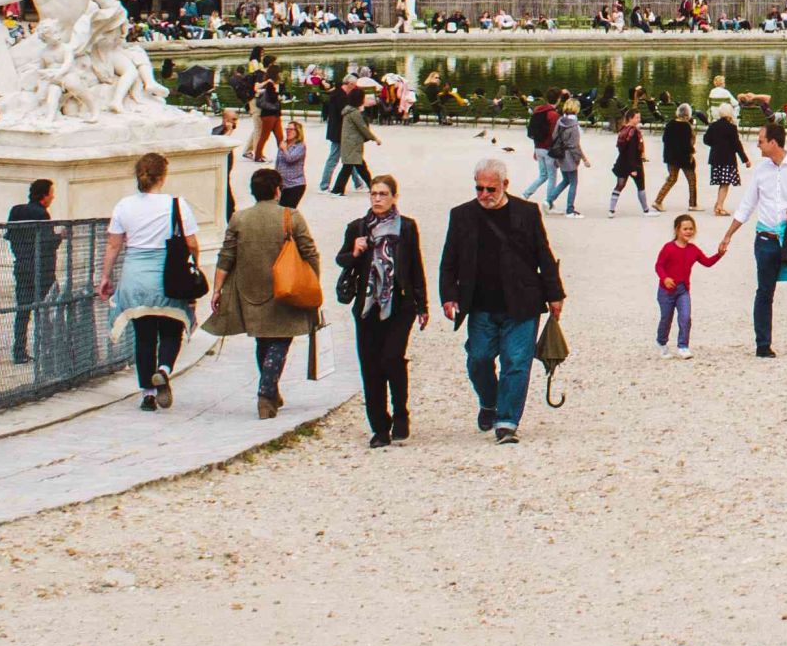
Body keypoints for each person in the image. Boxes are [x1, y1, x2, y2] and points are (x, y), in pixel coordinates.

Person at [439, 157, 568, 445]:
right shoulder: (461, 215)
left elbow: (543, 255)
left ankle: (507, 421)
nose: (484, 195)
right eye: (479, 189)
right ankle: (489, 401)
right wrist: (448, 296)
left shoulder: (527, 212)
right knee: (479, 358)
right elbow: (449, 260)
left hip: (522, 303)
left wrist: (555, 294)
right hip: (481, 304)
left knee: (517, 362)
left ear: (505, 185)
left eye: (490, 189)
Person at [204, 166, 324, 419]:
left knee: (262, 339)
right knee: (281, 339)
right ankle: (265, 392)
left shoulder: (239, 218)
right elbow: (309, 252)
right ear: (277, 190)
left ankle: (271, 391)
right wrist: (313, 281)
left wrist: (217, 289)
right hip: (287, 287)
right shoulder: (291, 216)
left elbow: (226, 256)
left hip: (251, 288)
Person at [713, 120, 787, 359]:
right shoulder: (760, 171)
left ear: (773, 143)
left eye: (761, 141)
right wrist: (728, 235)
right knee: (764, 291)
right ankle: (763, 344)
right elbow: (747, 205)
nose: (758, 146)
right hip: (766, 238)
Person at [100, 153, 201, 412]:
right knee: (171, 330)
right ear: (163, 176)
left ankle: (147, 394)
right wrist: (194, 268)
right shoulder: (176, 205)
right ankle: (164, 369)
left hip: (134, 276)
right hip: (167, 276)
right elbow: (191, 243)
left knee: (144, 337)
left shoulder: (124, 205)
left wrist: (104, 276)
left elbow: (114, 244)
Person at [336, 174, 428, 449]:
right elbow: (341, 259)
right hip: (367, 306)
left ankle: (401, 412)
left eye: (383, 194)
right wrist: (354, 251)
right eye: (373, 194)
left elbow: (415, 266)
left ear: (394, 197)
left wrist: (423, 305)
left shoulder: (407, 228)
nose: (377, 199)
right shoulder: (358, 228)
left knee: (391, 358)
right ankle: (379, 426)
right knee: (370, 366)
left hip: (400, 305)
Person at [5, 178, 61, 364]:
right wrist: (60, 237)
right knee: (46, 310)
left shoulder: (16, 210)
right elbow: (47, 242)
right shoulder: (42, 214)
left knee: (23, 310)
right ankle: (46, 349)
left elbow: (10, 236)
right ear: (44, 196)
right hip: (41, 269)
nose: (53, 197)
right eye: (51, 193)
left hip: (22, 265)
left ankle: (19, 349)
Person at [653, 212, 724, 358]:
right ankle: (661, 342)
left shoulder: (693, 250)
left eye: (691, 229)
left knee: (685, 317)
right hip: (666, 291)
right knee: (666, 318)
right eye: (685, 229)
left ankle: (683, 346)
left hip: (683, 290)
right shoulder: (668, 248)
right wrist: (665, 278)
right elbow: (659, 266)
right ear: (677, 230)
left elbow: (707, 262)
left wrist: (719, 254)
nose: (688, 231)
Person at [328, 87, 377, 197]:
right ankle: (337, 190)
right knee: (348, 168)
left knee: (360, 167)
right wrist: (375, 138)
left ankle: (372, 187)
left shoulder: (348, 110)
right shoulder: (354, 113)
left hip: (350, 143)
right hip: (353, 144)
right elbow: (363, 127)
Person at [655, 104, 699, 212]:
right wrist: (691, 153)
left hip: (671, 157)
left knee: (672, 179)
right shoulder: (687, 126)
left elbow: (665, 139)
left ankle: (658, 201)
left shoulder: (670, 124)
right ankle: (692, 204)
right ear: (688, 114)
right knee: (691, 180)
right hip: (684, 157)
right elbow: (690, 142)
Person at [704, 106, 747, 216]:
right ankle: (719, 206)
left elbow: (706, 140)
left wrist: (716, 144)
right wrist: (745, 159)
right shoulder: (731, 127)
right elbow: (737, 145)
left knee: (722, 182)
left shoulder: (713, 126)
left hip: (715, 158)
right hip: (727, 159)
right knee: (725, 183)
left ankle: (718, 203)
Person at [608, 110, 652, 214]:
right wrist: (633, 168)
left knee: (620, 185)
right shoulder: (634, 132)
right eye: (637, 117)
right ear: (631, 118)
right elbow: (632, 150)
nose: (639, 120)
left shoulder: (623, 129)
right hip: (634, 163)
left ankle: (611, 209)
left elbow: (621, 148)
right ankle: (646, 210)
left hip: (622, 162)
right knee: (641, 186)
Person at [549, 105, 589, 217]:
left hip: (560, 154)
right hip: (570, 156)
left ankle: (549, 200)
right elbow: (575, 145)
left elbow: (554, 136)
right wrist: (581, 159)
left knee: (565, 180)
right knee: (573, 182)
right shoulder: (574, 126)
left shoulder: (559, 121)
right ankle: (570, 210)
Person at [275, 118, 311, 209]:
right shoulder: (284, 144)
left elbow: (290, 159)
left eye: (291, 129)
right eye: (287, 129)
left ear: (297, 132)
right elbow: (278, 163)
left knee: (288, 210)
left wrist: (284, 149)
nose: (288, 132)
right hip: (283, 184)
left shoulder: (300, 146)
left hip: (295, 184)